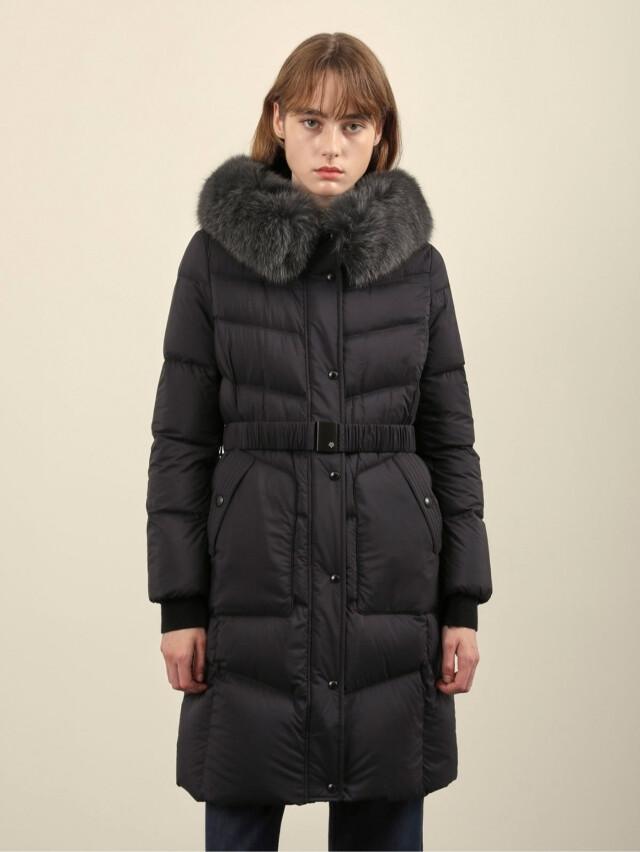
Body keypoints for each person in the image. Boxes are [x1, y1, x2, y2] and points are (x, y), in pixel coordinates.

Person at [146, 31, 492, 852]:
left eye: (354, 125)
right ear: (278, 121)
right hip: (253, 584)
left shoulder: (419, 269)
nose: (331, 146)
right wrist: (180, 604)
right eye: (311, 121)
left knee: (382, 818)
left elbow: (451, 443)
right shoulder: (215, 259)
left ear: (381, 134)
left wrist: (462, 604)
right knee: (239, 819)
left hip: (391, 588)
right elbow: (181, 441)